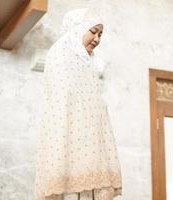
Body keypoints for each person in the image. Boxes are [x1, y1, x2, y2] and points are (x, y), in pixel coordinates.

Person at [35, 7, 122, 200]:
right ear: (76, 28)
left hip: (89, 142)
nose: (97, 39)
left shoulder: (85, 62)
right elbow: (63, 103)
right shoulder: (60, 55)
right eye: (93, 31)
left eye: (100, 34)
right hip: (69, 139)